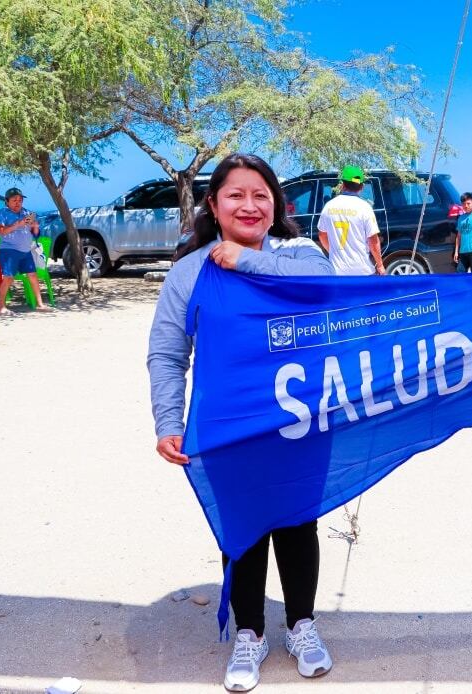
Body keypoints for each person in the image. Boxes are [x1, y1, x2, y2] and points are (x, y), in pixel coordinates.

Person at [148, 153, 336, 692]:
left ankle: (302, 625)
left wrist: (245, 260)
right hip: (228, 425)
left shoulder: (302, 255)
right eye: (235, 195)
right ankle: (249, 633)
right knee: (244, 531)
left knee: (299, 523)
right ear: (213, 204)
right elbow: (167, 353)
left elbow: (324, 289)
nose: (249, 205)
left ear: (276, 204)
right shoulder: (189, 271)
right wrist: (168, 419)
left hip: (302, 421)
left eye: (261, 195)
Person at [317, 165, 386, 275]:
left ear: (342, 185)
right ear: (362, 187)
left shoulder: (329, 207)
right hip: (362, 272)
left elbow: (322, 235)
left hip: (337, 272)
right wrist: (380, 265)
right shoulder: (365, 207)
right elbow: (373, 240)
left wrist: (334, 252)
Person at [0, 187, 51, 314]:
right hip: (9, 250)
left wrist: (35, 226)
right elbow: (1, 232)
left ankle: (40, 304)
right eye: (14, 200)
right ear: (7, 201)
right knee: (8, 278)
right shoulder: (2, 213)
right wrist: (17, 224)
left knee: (33, 275)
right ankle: (1, 306)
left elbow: (35, 234)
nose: (18, 202)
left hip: (26, 251)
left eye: (20, 200)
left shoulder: (26, 212)